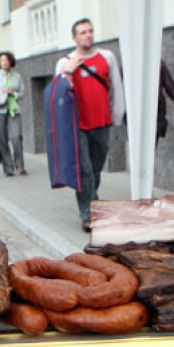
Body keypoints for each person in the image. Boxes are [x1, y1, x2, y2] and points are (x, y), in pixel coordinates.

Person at [56, 18, 125, 232]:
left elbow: (116, 87)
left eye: (90, 31)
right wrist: (68, 71)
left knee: (96, 168)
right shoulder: (64, 61)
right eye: (82, 32)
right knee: (84, 169)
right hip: (77, 125)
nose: (87, 35)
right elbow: (58, 96)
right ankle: (88, 213)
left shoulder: (106, 57)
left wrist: (117, 115)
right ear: (74, 37)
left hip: (102, 121)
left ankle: (91, 201)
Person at [0, 52, 26, 177]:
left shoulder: (17, 76)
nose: (5, 62)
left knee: (16, 136)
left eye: (7, 60)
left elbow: (22, 93)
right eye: (2, 60)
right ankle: (8, 168)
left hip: (13, 110)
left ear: (11, 61)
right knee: (2, 138)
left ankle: (20, 165)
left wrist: (14, 93)